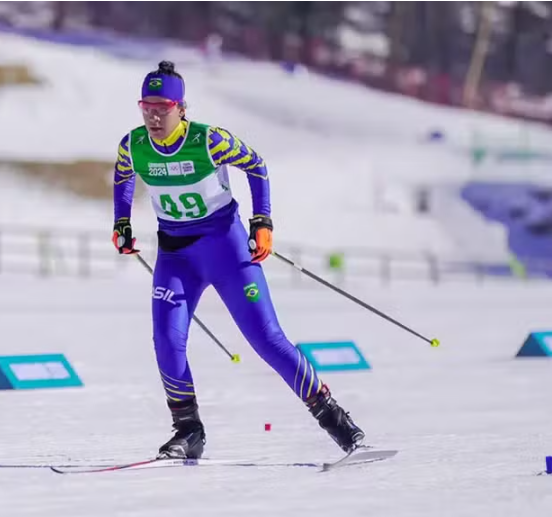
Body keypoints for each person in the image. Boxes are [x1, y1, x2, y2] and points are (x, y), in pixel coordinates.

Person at [111, 60, 365, 460]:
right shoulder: (134, 145)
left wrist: (261, 221)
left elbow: (256, 165)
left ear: (181, 108)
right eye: (147, 106)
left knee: (267, 339)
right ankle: (188, 430)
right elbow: (124, 175)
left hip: (226, 250)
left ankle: (335, 420)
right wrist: (121, 222)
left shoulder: (210, 141)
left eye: (162, 107)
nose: (154, 115)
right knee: (166, 340)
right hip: (177, 257)